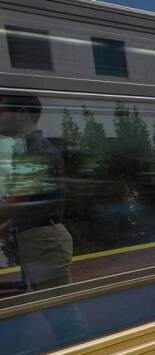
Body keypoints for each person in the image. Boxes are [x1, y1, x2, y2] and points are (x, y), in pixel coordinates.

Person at [0, 94, 86, 342]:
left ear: (22, 113)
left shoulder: (36, 151)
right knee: (55, 309)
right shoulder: (31, 148)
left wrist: (7, 216)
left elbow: (17, 199)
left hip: (43, 241)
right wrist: (9, 225)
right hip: (40, 239)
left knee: (61, 312)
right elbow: (34, 200)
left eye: (1, 111)